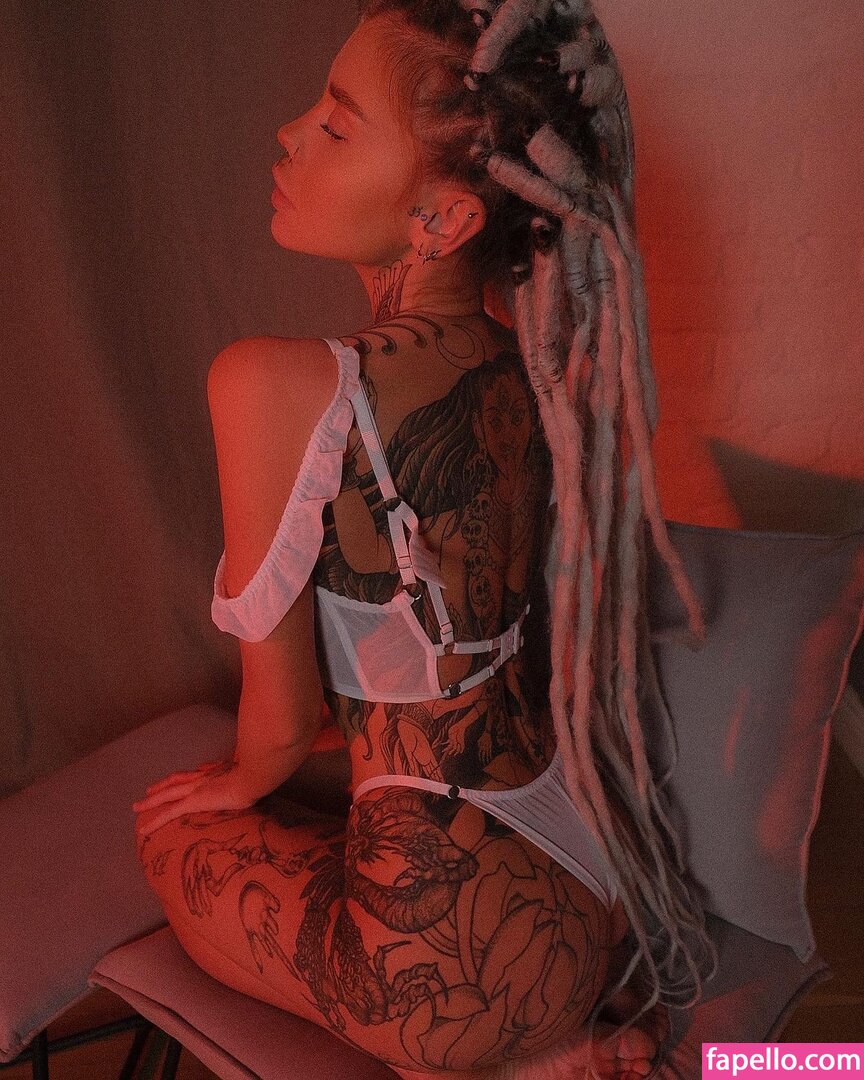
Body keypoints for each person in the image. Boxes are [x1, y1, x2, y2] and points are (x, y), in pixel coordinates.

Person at [132, 1, 719, 1077]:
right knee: (323, 787)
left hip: (451, 969)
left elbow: (279, 728)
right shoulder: (535, 371)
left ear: (440, 220)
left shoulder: (268, 382)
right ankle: (562, 1044)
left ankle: (499, 1064)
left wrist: (247, 776)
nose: (287, 135)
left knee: (172, 833)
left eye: (334, 124)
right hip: (585, 881)